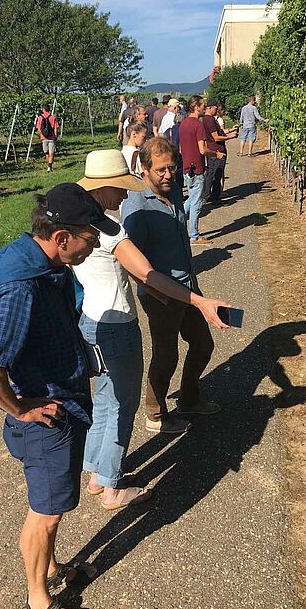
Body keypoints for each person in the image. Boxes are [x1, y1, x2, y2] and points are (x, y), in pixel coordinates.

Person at [0, 183, 122, 609]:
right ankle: (38, 603)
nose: (96, 242)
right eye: (89, 235)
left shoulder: (38, 258)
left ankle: (51, 566)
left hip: (61, 401)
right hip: (48, 416)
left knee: (51, 503)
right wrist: (21, 408)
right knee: (47, 512)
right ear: (60, 237)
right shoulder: (21, 289)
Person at [74, 150, 229, 500]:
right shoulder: (109, 230)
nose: (126, 194)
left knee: (103, 399)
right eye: (121, 188)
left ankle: (97, 473)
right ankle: (112, 486)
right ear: (106, 185)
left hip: (92, 319)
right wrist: (198, 301)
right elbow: (146, 272)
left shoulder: (74, 224)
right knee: (122, 406)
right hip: (117, 324)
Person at [122, 137, 224, 432]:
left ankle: (189, 399)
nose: (169, 175)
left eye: (172, 168)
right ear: (144, 169)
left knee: (203, 344)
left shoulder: (174, 192)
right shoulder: (136, 208)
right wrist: (157, 295)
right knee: (166, 355)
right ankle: (154, 412)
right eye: (161, 170)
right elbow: (132, 264)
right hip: (161, 295)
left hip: (188, 286)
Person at [179, 95, 225, 246]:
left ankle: (175, 220)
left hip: (187, 167)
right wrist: (216, 154)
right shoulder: (198, 125)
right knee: (197, 202)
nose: (204, 108)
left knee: (191, 199)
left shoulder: (183, 124)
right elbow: (203, 149)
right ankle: (194, 235)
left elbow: (181, 148)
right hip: (197, 168)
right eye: (203, 105)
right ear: (196, 107)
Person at [202, 99, 238, 203]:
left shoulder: (208, 119)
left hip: (213, 149)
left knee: (211, 173)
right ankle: (214, 198)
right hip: (217, 150)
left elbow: (219, 132)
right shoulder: (210, 120)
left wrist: (230, 130)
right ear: (210, 108)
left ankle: (208, 195)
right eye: (215, 108)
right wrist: (230, 137)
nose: (216, 110)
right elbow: (216, 137)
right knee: (216, 175)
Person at [36, 103, 59, 172]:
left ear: (43, 109)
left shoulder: (40, 118)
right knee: (51, 152)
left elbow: (39, 128)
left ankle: (48, 165)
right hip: (51, 137)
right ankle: (50, 166)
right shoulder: (53, 117)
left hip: (44, 138)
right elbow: (56, 127)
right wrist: (55, 135)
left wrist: (41, 135)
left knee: (46, 152)